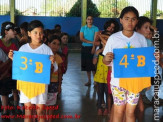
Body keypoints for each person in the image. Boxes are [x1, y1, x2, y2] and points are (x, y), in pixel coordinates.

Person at [103, 6, 150, 122]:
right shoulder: (113, 38)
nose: (130, 22)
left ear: (137, 21)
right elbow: (105, 61)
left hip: (135, 82)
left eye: (133, 19)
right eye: (127, 18)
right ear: (121, 20)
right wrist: (107, 58)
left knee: (130, 112)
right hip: (118, 82)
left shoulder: (141, 39)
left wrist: (147, 80)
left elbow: (145, 62)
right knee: (119, 111)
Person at [8, 20, 55, 122]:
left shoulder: (47, 50)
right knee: (28, 113)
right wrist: (13, 59)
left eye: (41, 33)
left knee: (40, 112)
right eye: (35, 32)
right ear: (29, 33)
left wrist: (52, 62)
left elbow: (53, 68)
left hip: (41, 86)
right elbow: (19, 67)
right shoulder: (23, 49)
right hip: (26, 85)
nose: (38, 35)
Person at [0, 22, 20, 118]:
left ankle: (15, 108)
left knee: (14, 89)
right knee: (4, 92)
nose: (15, 32)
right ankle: (5, 110)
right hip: (1, 73)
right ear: (6, 32)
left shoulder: (14, 46)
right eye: (13, 30)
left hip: (11, 73)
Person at [136, 16, 154, 122]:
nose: (148, 30)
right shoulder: (131, 42)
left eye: (149, 28)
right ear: (137, 29)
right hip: (130, 80)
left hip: (141, 79)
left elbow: (150, 63)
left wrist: (148, 82)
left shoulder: (149, 43)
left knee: (140, 106)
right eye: (146, 27)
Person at [47, 35, 63, 122]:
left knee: (52, 105)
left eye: (58, 44)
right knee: (43, 104)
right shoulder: (44, 56)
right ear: (48, 44)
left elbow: (60, 73)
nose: (56, 46)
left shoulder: (58, 58)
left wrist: (59, 85)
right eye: (54, 43)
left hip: (54, 83)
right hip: (44, 83)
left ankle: (49, 120)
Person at [80, 15, 99, 86]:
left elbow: (96, 39)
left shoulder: (96, 28)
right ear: (86, 20)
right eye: (88, 19)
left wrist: (94, 47)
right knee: (87, 66)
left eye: (91, 19)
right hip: (84, 48)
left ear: (92, 20)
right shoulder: (83, 28)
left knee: (93, 65)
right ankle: (89, 81)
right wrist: (91, 42)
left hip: (92, 48)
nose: (90, 20)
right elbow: (81, 38)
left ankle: (95, 81)